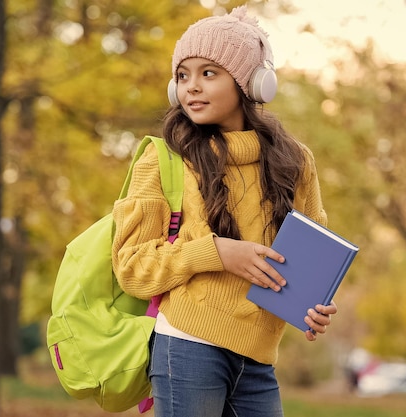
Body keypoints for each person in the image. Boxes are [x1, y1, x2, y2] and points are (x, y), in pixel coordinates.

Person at [111, 6, 337, 417]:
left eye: (208, 73)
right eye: (183, 75)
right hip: (187, 345)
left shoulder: (295, 161)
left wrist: (313, 304)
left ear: (252, 82)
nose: (191, 87)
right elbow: (131, 266)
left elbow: (309, 258)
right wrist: (217, 253)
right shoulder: (163, 159)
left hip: (259, 356)